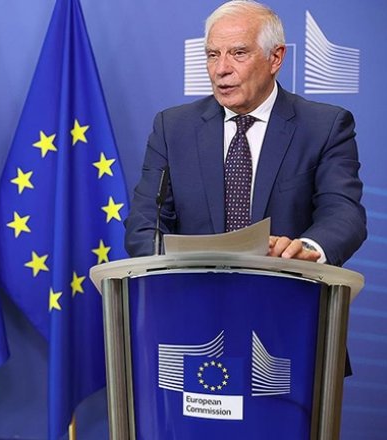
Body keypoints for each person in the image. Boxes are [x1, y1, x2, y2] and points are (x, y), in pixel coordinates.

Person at [124, 0, 366, 266]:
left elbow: (343, 214)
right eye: (213, 55)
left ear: (275, 58)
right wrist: (170, 272)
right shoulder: (172, 128)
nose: (221, 69)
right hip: (192, 287)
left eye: (238, 53)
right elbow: (145, 223)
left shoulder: (324, 127)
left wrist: (305, 250)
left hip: (286, 284)